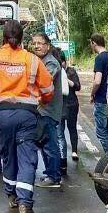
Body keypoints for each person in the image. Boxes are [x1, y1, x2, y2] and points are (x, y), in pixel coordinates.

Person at [0, 19, 55, 213]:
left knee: (7, 155)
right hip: (27, 115)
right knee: (27, 158)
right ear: (22, 38)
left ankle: (11, 194)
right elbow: (48, 88)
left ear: (3, 37)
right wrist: (43, 101)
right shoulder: (32, 60)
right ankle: (25, 205)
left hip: (3, 115)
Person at [30, 33, 63, 189]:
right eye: (34, 43)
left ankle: (54, 177)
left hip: (48, 110)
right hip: (41, 110)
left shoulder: (51, 63)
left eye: (40, 43)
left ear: (47, 45)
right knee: (44, 143)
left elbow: (44, 83)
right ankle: (50, 172)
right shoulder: (39, 61)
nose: (37, 46)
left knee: (50, 145)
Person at [90, 33, 108, 154]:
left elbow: (97, 81)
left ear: (94, 43)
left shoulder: (99, 58)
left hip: (101, 99)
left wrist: (92, 93)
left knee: (101, 132)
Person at [58, 51, 81, 165]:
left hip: (71, 104)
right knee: (60, 132)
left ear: (64, 62)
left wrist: (67, 81)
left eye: (61, 62)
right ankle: (62, 156)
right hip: (60, 105)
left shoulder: (71, 71)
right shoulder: (55, 71)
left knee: (72, 128)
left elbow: (78, 86)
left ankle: (74, 151)